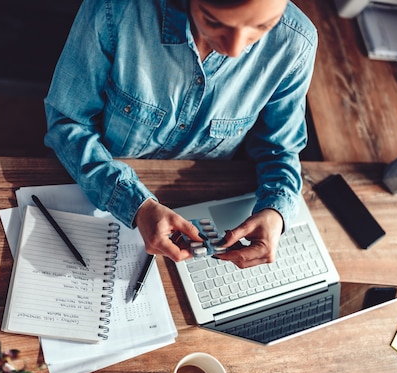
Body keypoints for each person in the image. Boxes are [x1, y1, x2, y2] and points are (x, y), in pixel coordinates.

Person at [44, 0, 317, 269]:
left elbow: (279, 149)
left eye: (262, 25)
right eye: (214, 21)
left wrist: (276, 211)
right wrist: (134, 204)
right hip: (98, 191)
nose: (234, 50)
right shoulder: (113, 9)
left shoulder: (296, 42)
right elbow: (69, 123)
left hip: (206, 199)